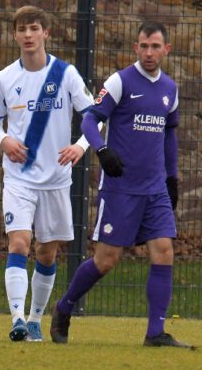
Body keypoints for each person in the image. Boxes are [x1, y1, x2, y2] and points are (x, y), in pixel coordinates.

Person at [50, 21, 191, 348]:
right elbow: (90, 119)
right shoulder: (120, 82)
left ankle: (155, 333)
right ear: (136, 48)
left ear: (166, 50)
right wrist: (102, 151)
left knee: (164, 251)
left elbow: (169, 136)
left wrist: (172, 178)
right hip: (120, 188)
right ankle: (65, 306)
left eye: (155, 46)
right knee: (106, 260)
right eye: (144, 46)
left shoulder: (169, 89)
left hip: (155, 189)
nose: (149, 52)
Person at [0, 5, 96, 342]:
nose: (28, 35)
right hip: (19, 178)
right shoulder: (5, 78)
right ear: (15, 35)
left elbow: (94, 117)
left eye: (34, 28)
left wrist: (80, 146)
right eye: (22, 29)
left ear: (46, 33)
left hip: (56, 180)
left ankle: (35, 318)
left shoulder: (66, 74)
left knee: (46, 253)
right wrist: (4, 139)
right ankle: (17, 319)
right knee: (19, 243)